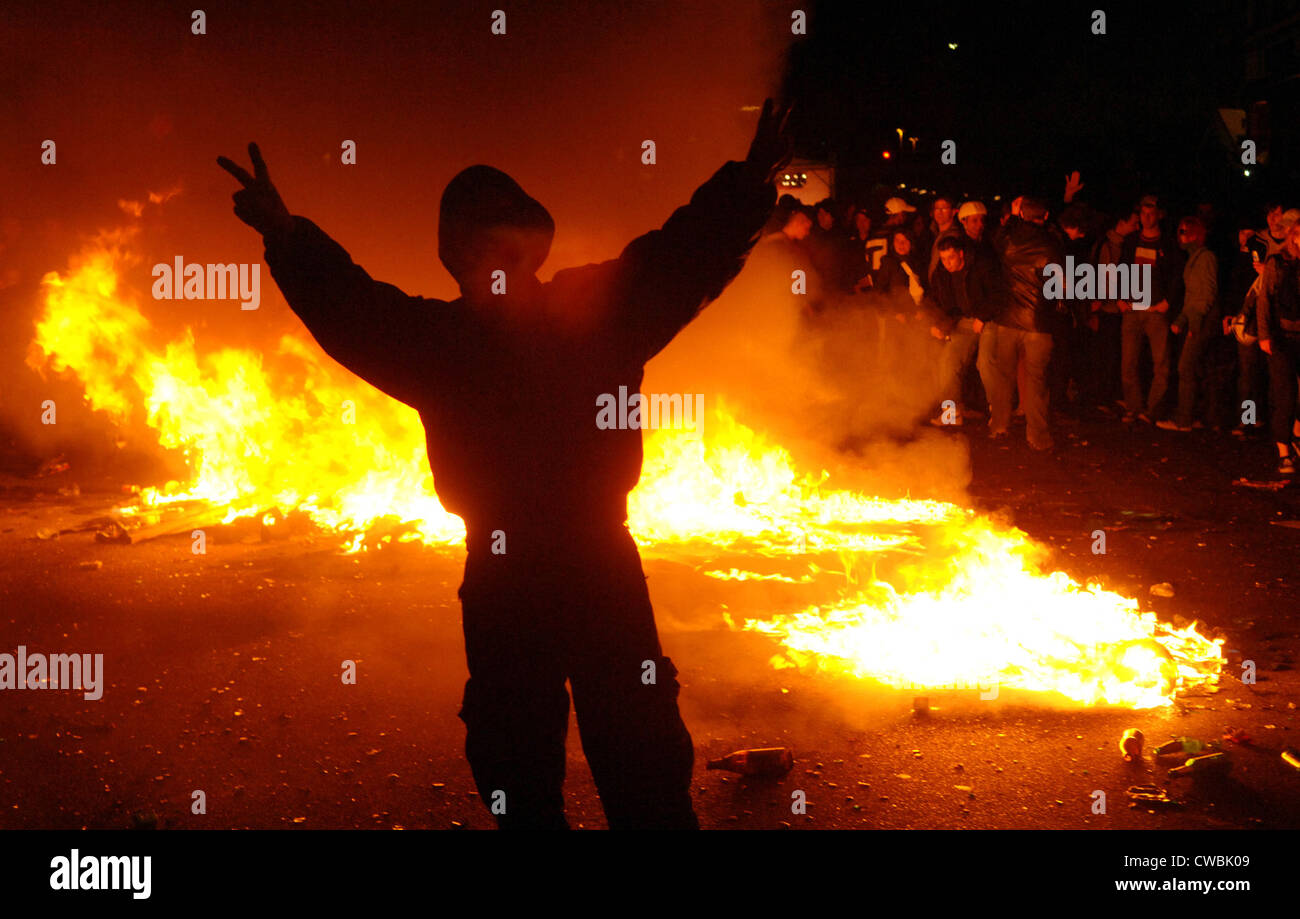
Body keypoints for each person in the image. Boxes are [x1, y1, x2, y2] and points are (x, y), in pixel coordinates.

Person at [216, 98, 795, 830]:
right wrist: (747, 184)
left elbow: (354, 310)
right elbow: (686, 258)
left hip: (530, 568)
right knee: (565, 761)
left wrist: (286, 234)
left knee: (587, 760)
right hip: (579, 564)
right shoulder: (582, 316)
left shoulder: (474, 335)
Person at [981, 197, 1062, 450]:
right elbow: (1058, 285)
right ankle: (1037, 437)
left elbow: (994, 236)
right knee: (1036, 381)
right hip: (1038, 323)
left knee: (1003, 377)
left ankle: (999, 426)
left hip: (1008, 320)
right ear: (1045, 216)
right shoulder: (1051, 245)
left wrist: (1013, 216)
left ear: (1021, 215)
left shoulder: (1009, 241)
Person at [1119, 194, 1184, 423]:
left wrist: (1168, 301)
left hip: (1155, 310)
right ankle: (1133, 408)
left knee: (1162, 364)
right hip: (1133, 309)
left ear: (1159, 215)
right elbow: (1121, 269)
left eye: (1150, 213)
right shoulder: (1131, 241)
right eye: (1143, 213)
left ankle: (1153, 409)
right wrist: (1120, 297)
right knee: (1128, 362)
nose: (1146, 217)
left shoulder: (1168, 244)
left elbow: (1177, 276)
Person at [923, 236, 1001, 426]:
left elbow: (998, 295)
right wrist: (937, 323)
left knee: (985, 363)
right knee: (947, 362)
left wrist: (982, 316)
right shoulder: (941, 274)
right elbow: (937, 303)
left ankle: (998, 410)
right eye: (943, 259)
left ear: (961, 254)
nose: (947, 263)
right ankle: (951, 413)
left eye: (951, 258)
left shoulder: (981, 267)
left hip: (989, 319)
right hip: (964, 322)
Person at [1158, 216, 1219, 431]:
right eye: (1180, 231)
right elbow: (1192, 296)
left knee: (1186, 367)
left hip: (1203, 322)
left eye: (1186, 231)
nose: (1181, 236)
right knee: (1195, 368)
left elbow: (1206, 295)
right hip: (1196, 320)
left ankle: (1184, 420)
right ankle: (1199, 415)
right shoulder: (1192, 259)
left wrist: (1193, 324)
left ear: (1197, 234)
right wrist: (1181, 320)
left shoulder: (1205, 258)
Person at [1255, 221, 1300, 474]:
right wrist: (1264, 335)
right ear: (1293, 238)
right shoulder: (1278, 262)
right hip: (1281, 335)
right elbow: (1265, 300)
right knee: (1285, 394)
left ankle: (1295, 434)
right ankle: (1283, 451)